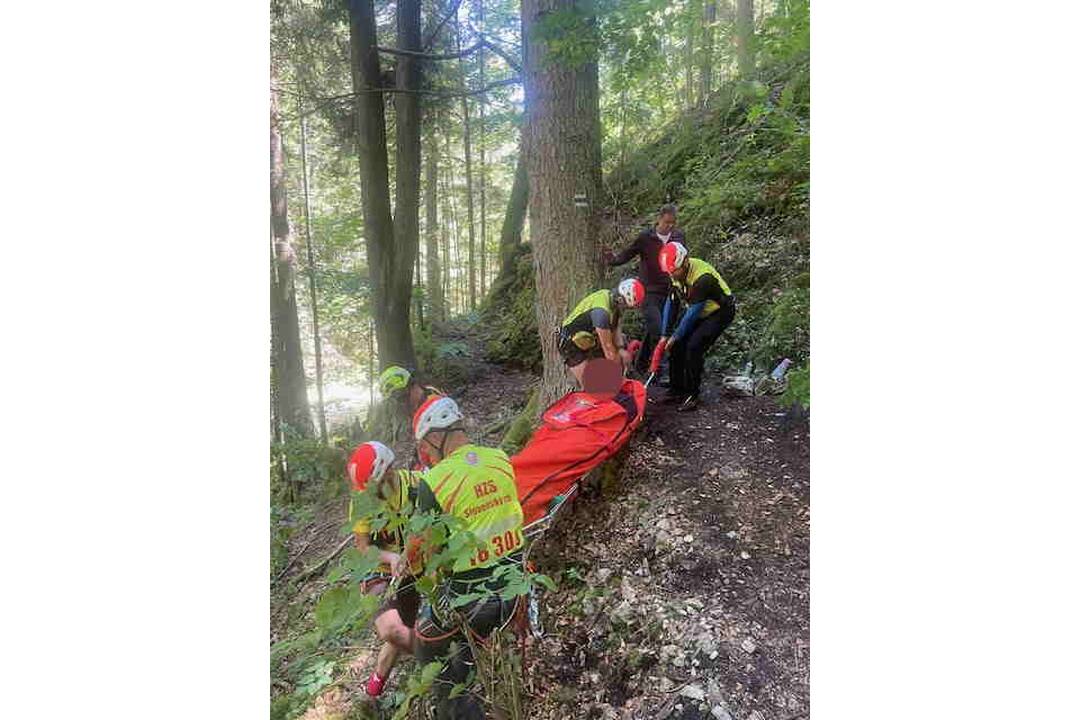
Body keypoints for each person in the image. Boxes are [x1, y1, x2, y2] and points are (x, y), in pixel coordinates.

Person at [407, 396, 526, 720]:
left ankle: (457, 711)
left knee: (425, 639)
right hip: (518, 585)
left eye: (425, 447)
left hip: (476, 597)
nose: (426, 455)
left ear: (435, 436)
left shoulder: (433, 481)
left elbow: (428, 553)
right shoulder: (500, 458)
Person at [346, 441, 422, 697]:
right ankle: (444, 659)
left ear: (386, 471)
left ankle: (374, 688)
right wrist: (390, 557)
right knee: (391, 629)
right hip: (377, 567)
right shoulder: (362, 503)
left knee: (402, 632)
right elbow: (363, 546)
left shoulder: (417, 484)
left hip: (413, 567)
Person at [606, 204, 687, 378]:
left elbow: (683, 259)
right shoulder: (646, 238)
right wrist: (611, 260)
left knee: (657, 330)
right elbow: (628, 254)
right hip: (649, 291)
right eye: (667, 222)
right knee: (658, 329)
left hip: (670, 290)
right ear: (659, 219)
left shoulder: (679, 237)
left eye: (673, 223)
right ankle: (659, 369)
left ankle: (641, 364)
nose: (670, 226)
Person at [654, 242, 736, 412]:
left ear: (685, 262)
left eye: (674, 271)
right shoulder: (674, 273)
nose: (672, 275)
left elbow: (692, 314)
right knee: (676, 346)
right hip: (699, 309)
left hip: (720, 311)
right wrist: (665, 334)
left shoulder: (702, 278)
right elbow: (672, 303)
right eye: (670, 272)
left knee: (694, 346)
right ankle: (676, 389)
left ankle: (692, 394)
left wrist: (675, 336)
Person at [557, 278, 646, 388]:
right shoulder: (601, 313)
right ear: (620, 299)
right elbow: (609, 351)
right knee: (592, 387)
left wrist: (622, 350)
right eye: (626, 306)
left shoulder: (613, 302)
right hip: (570, 344)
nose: (626, 309)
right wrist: (620, 377)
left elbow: (615, 330)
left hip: (589, 339)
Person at [378, 365, 444, 417]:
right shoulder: (410, 409)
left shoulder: (434, 400)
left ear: (412, 386)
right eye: (398, 400)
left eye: (403, 398)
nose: (403, 403)